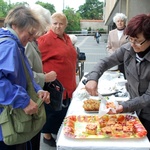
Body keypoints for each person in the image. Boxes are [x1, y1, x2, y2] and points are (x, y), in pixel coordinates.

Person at [85, 13, 150, 141]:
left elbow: (148, 96)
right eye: (130, 39)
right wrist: (93, 78)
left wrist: (124, 106)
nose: (132, 44)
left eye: (137, 41)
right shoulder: (127, 49)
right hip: (134, 110)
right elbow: (105, 62)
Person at [0, 5, 50, 150]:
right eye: (30, 32)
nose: (33, 37)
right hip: (7, 126)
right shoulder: (9, 45)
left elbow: (25, 75)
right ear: (15, 26)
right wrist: (23, 100)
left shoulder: (14, 43)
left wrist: (36, 90)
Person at [37, 12, 77, 147]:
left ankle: (57, 132)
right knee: (52, 112)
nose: (58, 26)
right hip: (54, 85)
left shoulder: (67, 38)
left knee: (62, 111)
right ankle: (47, 136)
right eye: (55, 23)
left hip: (68, 83)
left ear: (65, 25)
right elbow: (33, 61)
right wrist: (43, 75)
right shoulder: (44, 40)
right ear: (50, 24)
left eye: (61, 24)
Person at [25, 4, 57, 150]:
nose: (42, 33)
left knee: (34, 138)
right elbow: (24, 74)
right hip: (27, 101)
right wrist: (44, 78)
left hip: (34, 96)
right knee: (29, 140)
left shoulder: (32, 41)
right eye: (42, 29)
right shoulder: (25, 43)